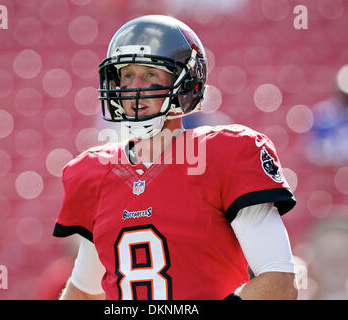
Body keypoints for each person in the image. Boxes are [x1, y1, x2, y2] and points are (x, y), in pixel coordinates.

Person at [53, 15, 297, 300]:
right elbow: (83, 292)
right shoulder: (94, 172)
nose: (134, 89)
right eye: (127, 75)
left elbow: (279, 282)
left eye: (150, 74)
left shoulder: (225, 155)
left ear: (184, 84)